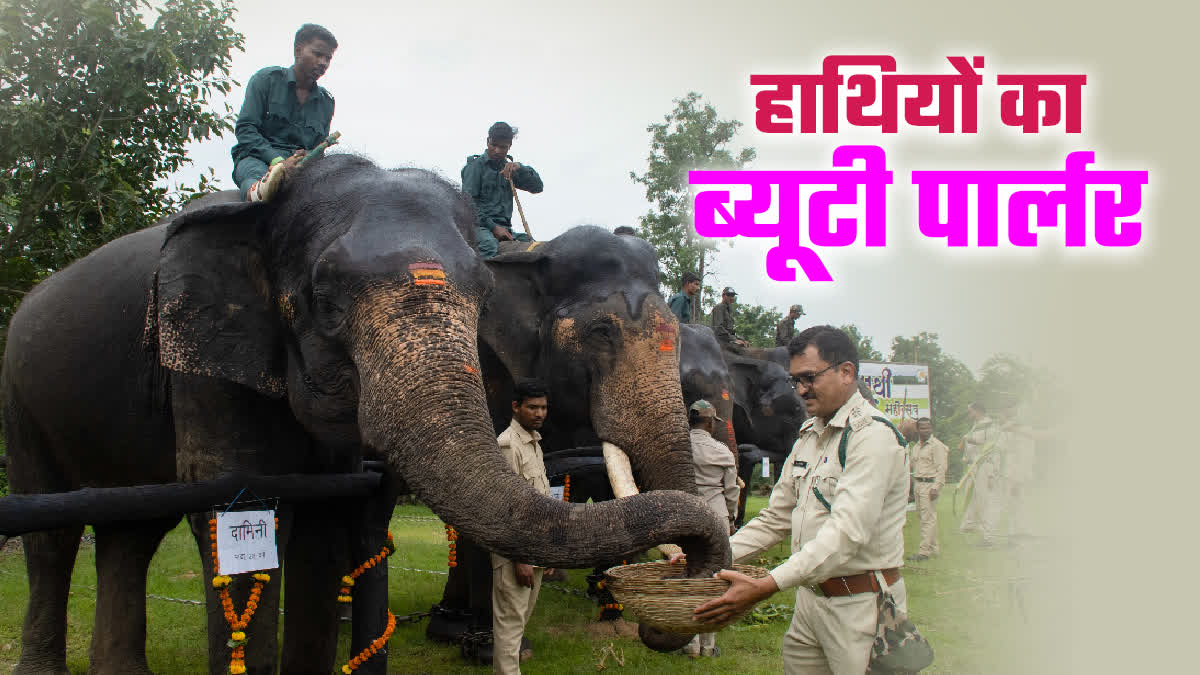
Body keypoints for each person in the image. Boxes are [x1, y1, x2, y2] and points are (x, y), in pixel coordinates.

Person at [688, 325, 909, 674]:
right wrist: (707, 558)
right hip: (810, 599)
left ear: (846, 372)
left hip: (861, 607)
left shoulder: (872, 438)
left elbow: (846, 535)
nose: (801, 390)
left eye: (810, 378)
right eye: (795, 381)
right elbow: (775, 519)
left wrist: (766, 585)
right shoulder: (810, 434)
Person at [231, 24, 338, 202]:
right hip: (258, 161)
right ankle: (254, 195)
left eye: (328, 58)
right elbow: (245, 129)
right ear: (298, 50)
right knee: (259, 187)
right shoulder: (266, 80)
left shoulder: (327, 102)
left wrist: (305, 161)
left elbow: (318, 151)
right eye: (318, 54)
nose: (323, 63)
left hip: (301, 171)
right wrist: (278, 162)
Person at [491, 379, 554, 674]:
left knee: (519, 625)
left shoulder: (534, 443)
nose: (539, 413)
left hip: (536, 551)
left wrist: (548, 553)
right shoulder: (507, 445)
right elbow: (508, 509)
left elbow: (540, 505)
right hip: (516, 554)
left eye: (543, 407)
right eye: (532, 407)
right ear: (516, 407)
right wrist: (522, 557)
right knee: (510, 627)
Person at [682, 399, 739, 658]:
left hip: (686, 517)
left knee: (690, 577)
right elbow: (731, 491)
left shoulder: (678, 448)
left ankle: (689, 643)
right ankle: (707, 645)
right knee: (714, 580)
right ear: (708, 423)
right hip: (716, 517)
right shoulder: (722, 451)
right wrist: (732, 518)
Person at [462, 122, 544, 258]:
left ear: (509, 146)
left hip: (506, 228)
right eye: (494, 145)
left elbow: (537, 187)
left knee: (534, 246)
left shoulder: (509, 169)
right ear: (488, 141)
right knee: (487, 246)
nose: (497, 150)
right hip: (479, 227)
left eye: (503, 147)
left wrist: (520, 167)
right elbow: (468, 206)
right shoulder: (475, 167)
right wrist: (493, 227)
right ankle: (485, 279)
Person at [907, 417, 949, 562]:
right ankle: (934, 549)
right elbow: (912, 467)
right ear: (917, 430)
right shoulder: (916, 447)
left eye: (928, 427)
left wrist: (936, 487)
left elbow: (942, 468)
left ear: (931, 429)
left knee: (927, 519)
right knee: (924, 517)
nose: (925, 430)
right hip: (918, 484)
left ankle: (924, 552)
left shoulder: (937, 446)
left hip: (930, 485)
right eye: (922, 428)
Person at [958, 401, 993, 534]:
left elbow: (990, 444)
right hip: (971, 464)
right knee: (970, 494)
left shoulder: (989, 424)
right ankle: (969, 524)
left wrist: (972, 440)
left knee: (982, 495)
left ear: (978, 411)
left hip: (982, 464)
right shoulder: (975, 425)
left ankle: (984, 525)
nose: (969, 414)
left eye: (970, 411)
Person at [711, 287, 749, 351]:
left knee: (745, 344)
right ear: (723, 296)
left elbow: (730, 331)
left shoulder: (729, 309)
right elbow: (719, 328)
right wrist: (734, 340)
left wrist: (741, 339)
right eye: (728, 295)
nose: (731, 298)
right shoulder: (719, 308)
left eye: (732, 296)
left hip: (728, 339)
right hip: (720, 340)